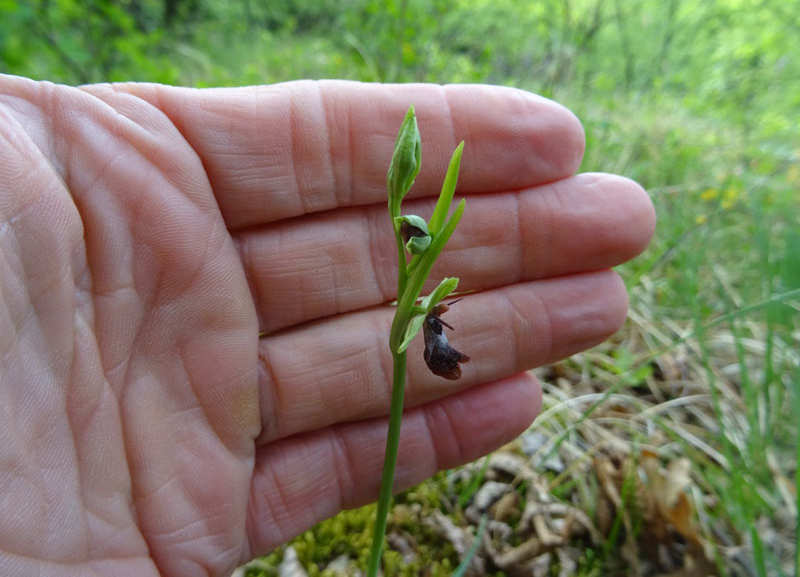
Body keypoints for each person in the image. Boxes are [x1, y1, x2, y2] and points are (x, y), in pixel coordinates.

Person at [0, 75, 655, 576]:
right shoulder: (410, 244)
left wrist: (428, 314)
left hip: (418, 314)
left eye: (414, 236)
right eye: (410, 232)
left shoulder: (420, 275)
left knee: (432, 352)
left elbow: (426, 288)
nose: (411, 236)